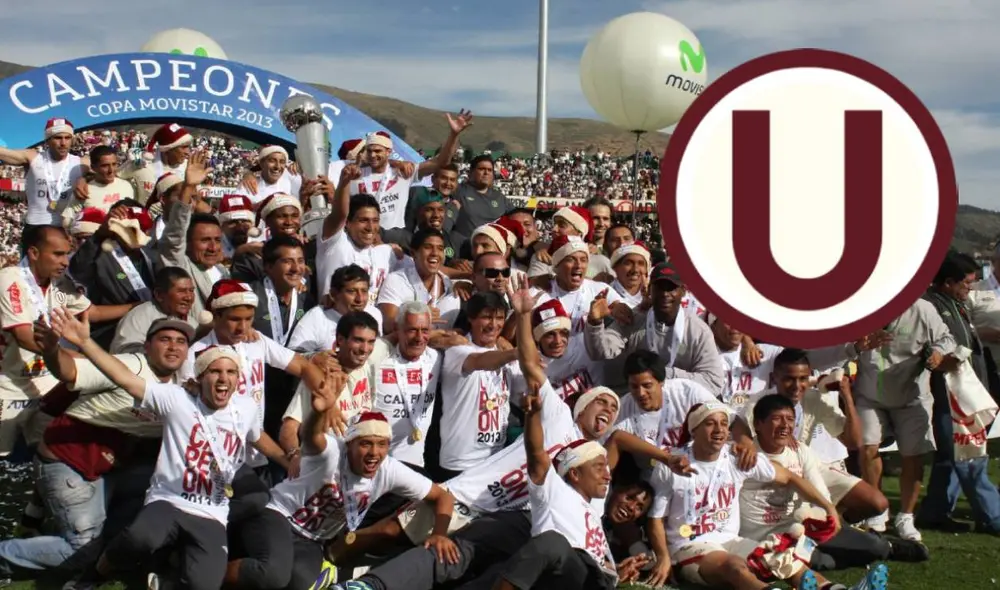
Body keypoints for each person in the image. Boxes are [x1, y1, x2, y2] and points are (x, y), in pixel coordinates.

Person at [46, 308, 284, 590]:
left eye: (231, 372)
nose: (224, 378)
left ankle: (166, 575)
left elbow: (257, 436)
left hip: (212, 512)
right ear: (199, 377)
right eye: (215, 372)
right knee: (139, 538)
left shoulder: (244, 408)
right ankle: (92, 577)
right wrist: (85, 343)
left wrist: (286, 458)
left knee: (204, 585)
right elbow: (124, 377)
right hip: (169, 500)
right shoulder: (177, 400)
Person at [0, 318, 190, 573]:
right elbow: (70, 371)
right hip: (70, 463)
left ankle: (56, 523)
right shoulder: (129, 365)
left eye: (181, 342)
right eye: (164, 340)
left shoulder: (185, 384)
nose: (173, 347)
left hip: (113, 467)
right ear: (146, 346)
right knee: (81, 549)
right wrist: (51, 351)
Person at [226, 407, 459, 590]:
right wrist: (319, 411)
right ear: (350, 444)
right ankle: (215, 578)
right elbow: (312, 436)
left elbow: (443, 496)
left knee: (300, 584)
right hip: (279, 515)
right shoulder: (331, 452)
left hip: (313, 540)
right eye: (365, 443)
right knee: (273, 574)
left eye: (381, 444)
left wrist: (439, 534)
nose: (374, 453)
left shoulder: (390, 469)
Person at [646, 402, 844, 589]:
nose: (719, 429)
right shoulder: (673, 464)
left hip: (731, 540)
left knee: (780, 557)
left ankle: (830, 587)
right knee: (734, 566)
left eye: (724, 423)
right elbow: (655, 519)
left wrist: (828, 507)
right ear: (694, 430)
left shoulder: (736, 458)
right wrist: (663, 557)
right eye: (709, 423)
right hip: (688, 545)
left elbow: (790, 477)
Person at [743, 394, 927, 572]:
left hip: (805, 526)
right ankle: (855, 551)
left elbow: (818, 487)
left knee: (874, 546)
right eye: (777, 419)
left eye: (790, 419)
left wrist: (829, 511)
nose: (785, 425)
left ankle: (886, 546)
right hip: (769, 534)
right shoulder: (745, 455)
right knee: (820, 563)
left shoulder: (800, 451)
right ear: (758, 423)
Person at [737, 349, 890, 528]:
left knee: (877, 502)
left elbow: (853, 442)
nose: (797, 386)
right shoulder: (759, 403)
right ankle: (830, 532)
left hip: (810, 464)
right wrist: (749, 439)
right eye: (789, 378)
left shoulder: (815, 398)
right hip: (777, 473)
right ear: (775, 377)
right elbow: (738, 429)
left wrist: (847, 397)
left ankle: (837, 527)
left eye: (803, 378)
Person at [491, 392, 617, 590]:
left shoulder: (592, 512)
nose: (607, 476)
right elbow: (536, 455)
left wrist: (612, 569)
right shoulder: (555, 491)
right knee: (553, 542)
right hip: (564, 572)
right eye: (599, 468)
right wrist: (532, 415)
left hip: (591, 579)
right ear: (574, 473)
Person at [918, 251, 1000, 536]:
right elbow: (934, 351)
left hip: (964, 392)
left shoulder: (955, 304)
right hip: (948, 395)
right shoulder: (930, 307)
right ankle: (994, 516)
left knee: (949, 458)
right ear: (948, 282)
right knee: (969, 456)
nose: (971, 289)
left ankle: (935, 512)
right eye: (967, 283)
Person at [0, 226, 92, 457]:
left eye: (66, 254)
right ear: (33, 253)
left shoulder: (56, 282)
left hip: (46, 385)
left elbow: (91, 311)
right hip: (8, 389)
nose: (65, 262)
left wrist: (138, 306)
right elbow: (23, 336)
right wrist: (74, 357)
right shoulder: (9, 280)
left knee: (45, 457)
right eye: (58, 254)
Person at [584, 261, 725, 395]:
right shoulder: (634, 319)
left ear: (683, 291)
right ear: (650, 289)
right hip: (638, 398)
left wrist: (665, 375)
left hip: (682, 402)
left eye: (671, 288)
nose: (665, 294)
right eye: (659, 287)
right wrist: (595, 322)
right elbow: (600, 352)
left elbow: (714, 382)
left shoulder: (698, 331)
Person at [0, 118, 88, 230]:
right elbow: (3, 153)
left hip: (67, 228)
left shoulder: (83, 163)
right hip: (36, 227)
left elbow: (111, 175)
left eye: (67, 138)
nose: (63, 143)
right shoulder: (33, 157)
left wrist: (85, 179)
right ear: (47, 140)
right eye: (58, 138)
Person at [288, 265, 384, 354]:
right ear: (334, 294)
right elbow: (294, 354)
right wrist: (317, 359)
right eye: (352, 291)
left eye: (364, 291)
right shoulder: (317, 317)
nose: (360, 299)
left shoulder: (374, 314)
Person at [377, 228, 460, 329]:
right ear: (413, 253)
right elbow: (388, 325)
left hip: (439, 340)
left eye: (440, 248)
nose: (435, 253)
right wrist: (419, 315)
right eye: (428, 247)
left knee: (454, 299)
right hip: (405, 342)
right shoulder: (396, 280)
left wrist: (465, 284)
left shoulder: (449, 284)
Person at [110, 266, 201, 354]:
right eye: (181, 291)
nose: (189, 297)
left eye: (191, 291)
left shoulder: (192, 323)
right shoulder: (139, 316)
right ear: (159, 295)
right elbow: (125, 353)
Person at [450, 154, 511, 249]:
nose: (486, 172)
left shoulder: (500, 197)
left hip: (493, 251)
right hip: (464, 249)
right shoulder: (458, 191)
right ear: (471, 173)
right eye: (482, 169)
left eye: (490, 170)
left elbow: (517, 217)